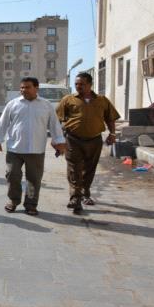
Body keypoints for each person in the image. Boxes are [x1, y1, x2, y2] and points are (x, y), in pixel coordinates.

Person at [0, 77, 67, 216]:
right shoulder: (12, 104)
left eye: (27, 87)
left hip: (36, 149)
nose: (23, 90)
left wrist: (59, 142)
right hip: (15, 148)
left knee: (34, 179)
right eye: (22, 87)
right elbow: (2, 124)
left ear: (36, 88)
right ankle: (13, 200)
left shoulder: (46, 105)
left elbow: (55, 125)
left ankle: (31, 204)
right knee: (12, 175)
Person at [56, 72, 120, 215]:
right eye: (76, 84)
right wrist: (58, 140)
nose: (78, 86)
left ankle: (85, 193)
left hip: (95, 140)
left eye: (82, 84)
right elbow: (57, 120)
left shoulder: (102, 100)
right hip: (73, 140)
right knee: (74, 169)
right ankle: (75, 199)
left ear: (90, 85)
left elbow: (110, 118)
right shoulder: (68, 99)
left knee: (89, 169)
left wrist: (113, 134)